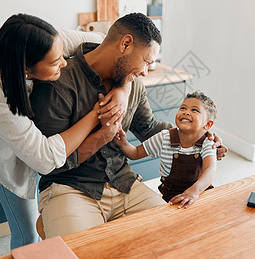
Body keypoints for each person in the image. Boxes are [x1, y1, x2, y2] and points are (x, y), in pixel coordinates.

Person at [30, 12, 228, 238]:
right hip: (71, 187)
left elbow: (149, 128)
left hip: (123, 183)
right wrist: (102, 136)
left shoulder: (133, 84)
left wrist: (196, 137)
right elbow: (50, 163)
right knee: (85, 250)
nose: (145, 71)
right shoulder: (58, 84)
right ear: (125, 44)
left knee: (177, 234)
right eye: (146, 61)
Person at [0, 14, 129, 249]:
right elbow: (43, 158)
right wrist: (96, 114)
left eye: (61, 55)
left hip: (51, 145)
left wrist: (123, 89)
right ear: (26, 69)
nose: (64, 63)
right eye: (55, 63)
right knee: (27, 235)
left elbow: (107, 45)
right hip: (8, 157)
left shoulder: (50, 41)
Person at [114, 90, 217, 208]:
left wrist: (194, 191)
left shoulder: (208, 142)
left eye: (195, 110)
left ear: (208, 125)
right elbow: (136, 153)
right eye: (183, 108)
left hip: (200, 193)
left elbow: (210, 170)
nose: (186, 112)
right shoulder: (164, 137)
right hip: (171, 196)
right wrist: (123, 143)